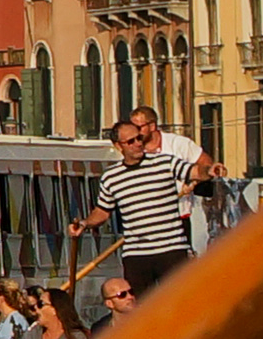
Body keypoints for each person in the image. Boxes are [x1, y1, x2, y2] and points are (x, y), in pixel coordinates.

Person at [77, 105, 218, 303]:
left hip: (171, 249)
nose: (138, 144)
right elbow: (102, 211)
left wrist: (209, 170)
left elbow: (194, 171)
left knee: (180, 302)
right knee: (141, 308)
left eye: (139, 138)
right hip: (137, 254)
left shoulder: (165, 163)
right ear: (119, 146)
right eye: (131, 141)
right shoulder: (111, 177)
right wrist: (84, 224)